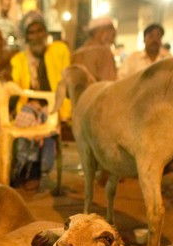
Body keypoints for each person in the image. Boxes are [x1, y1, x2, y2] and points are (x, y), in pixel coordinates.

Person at [10, 10, 71, 187]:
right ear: (26, 36)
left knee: (44, 117)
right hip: (29, 105)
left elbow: (65, 81)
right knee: (29, 115)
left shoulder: (59, 50)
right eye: (32, 32)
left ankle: (35, 170)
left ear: (46, 32)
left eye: (39, 31)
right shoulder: (19, 60)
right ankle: (26, 169)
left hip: (54, 105)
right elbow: (18, 87)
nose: (36, 36)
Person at [72, 15, 118, 82]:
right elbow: (110, 84)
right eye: (113, 34)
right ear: (103, 32)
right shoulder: (104, 52)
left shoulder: (77, 53)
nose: (113, 40)